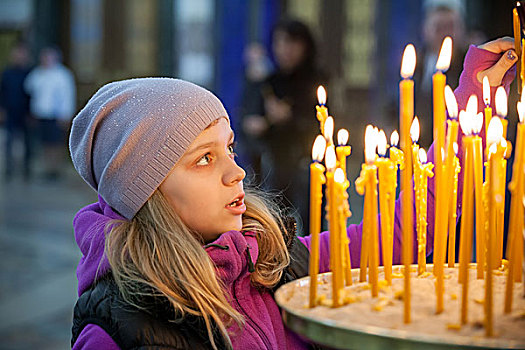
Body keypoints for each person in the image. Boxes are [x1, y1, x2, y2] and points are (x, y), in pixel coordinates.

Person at [69, 37, 515, 349]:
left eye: (229, 148)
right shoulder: (118, 327)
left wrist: (476, 96)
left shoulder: (274, 262)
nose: (237, 173)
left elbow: (406, 232)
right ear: (145, 192)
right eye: (204, 159)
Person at [241, 19, 327, 231]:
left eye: (291, 43)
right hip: (274, 168)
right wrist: (260, 124)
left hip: (307, 165)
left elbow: (324, 124)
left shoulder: (317, 81)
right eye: (279, 43)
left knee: (312, 226)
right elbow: (250, 118)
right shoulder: (270, 80)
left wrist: (290, 117)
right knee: (274, 225)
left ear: (305, 46)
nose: (284, 50)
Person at [414, 0, 468, 147]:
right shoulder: (416, 64)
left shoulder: (469, 68)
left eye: (450, 26)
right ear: (425, 30)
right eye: (439, 27)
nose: (445, 33)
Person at [24, 46, 76, 180]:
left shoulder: (62, 75)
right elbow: (29, 89)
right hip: (41, 115)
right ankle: (47, 168)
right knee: (45, 143)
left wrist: (65, 115)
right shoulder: (38, 73)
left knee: (55, 143)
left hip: (56, 115)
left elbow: (67, 96)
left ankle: (55, 169)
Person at [0, 43, 32, 180]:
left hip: (25, 112)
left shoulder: (31, 73)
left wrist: (31, 113)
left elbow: (33, 94)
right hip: (10, 111)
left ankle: (26, 169)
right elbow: (2, 92)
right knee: (9, 141)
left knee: (28, 142)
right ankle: (9, 169)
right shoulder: (7, 73)